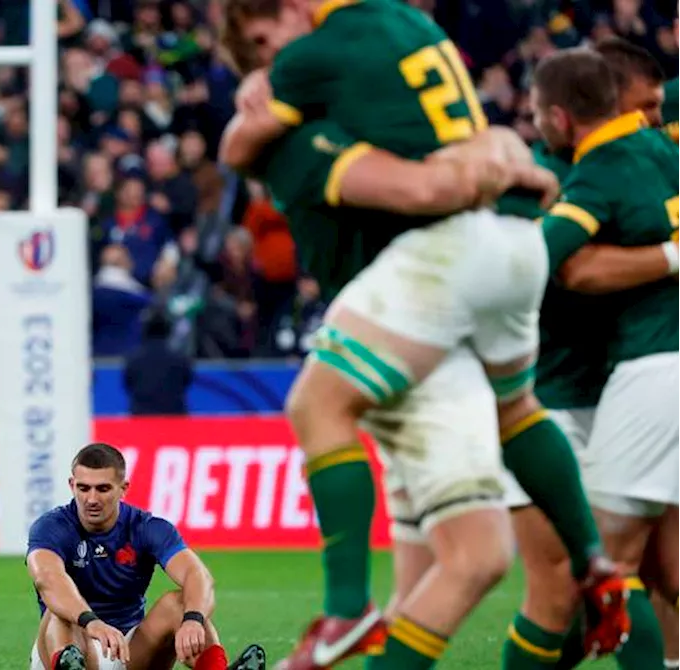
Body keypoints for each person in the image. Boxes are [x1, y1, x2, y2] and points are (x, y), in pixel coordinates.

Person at [217, 1, 628, 666]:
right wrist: (502, 158)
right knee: (506, 429)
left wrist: (475, 169)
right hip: (493, 265)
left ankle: (346, 610)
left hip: (434, 292)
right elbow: (461, 162)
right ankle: (595, 560)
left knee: (319, 406)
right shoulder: (400, 28)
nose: (272, 66)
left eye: (267, 50)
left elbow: (423, 190)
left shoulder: (303, 126)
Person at [524, 46, 680, 670]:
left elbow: (549, 256)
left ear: (560, 117)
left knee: (606, 563)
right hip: (648, 372)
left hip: (650, 370)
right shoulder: (667, 152)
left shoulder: (601, 168)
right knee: (661, 563)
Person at [25, 443, 266, 670]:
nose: (92, 499)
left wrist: (193, 619)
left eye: (103, 488)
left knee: (180, 604)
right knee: (59, 613)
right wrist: (92, 622)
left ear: (123, 488)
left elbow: (198, 575)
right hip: (71, 647)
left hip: (129, 650)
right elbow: (48, 578)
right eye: (83, 488)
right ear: (71, 485)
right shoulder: (50, 527)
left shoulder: (147, 528)